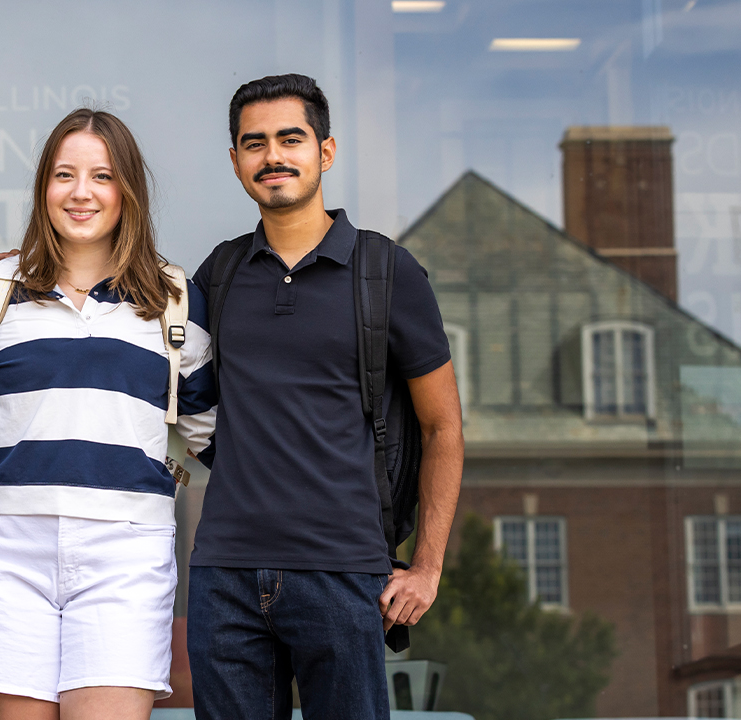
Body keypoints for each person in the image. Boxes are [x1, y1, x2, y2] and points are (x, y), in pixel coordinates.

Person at [184, 73, 464, 720]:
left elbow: (443, 427)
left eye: (290, 139)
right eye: (254, 143)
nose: (272, 156)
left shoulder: (385, 272)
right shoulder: (219, 274)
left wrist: (426, 567)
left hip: (342, 572)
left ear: (325, 151)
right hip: (224, 573)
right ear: (236, 161)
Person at [0, 108, 216, 720]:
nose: (81, 192)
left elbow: (215, 442)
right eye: (64, 175)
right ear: (44, 186)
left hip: (127, 553)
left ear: (129, 191)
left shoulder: (176, 301)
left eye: (102, 176)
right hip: (3, 551)